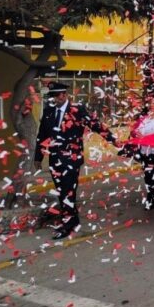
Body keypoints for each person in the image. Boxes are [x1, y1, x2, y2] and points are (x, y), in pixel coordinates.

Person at [35, 81, 117, 239]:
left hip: (71, 159)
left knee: (67, 191)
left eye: (55, 96)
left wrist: (113, 140)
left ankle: (67, 225)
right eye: (51, 96)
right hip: (55, 159)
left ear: (64, 95)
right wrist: (39, 156)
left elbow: (95, 125)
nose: (53, 99)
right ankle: (73, 220)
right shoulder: (48, 111)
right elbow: (42, 135)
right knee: (62, 191)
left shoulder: (77, 110)